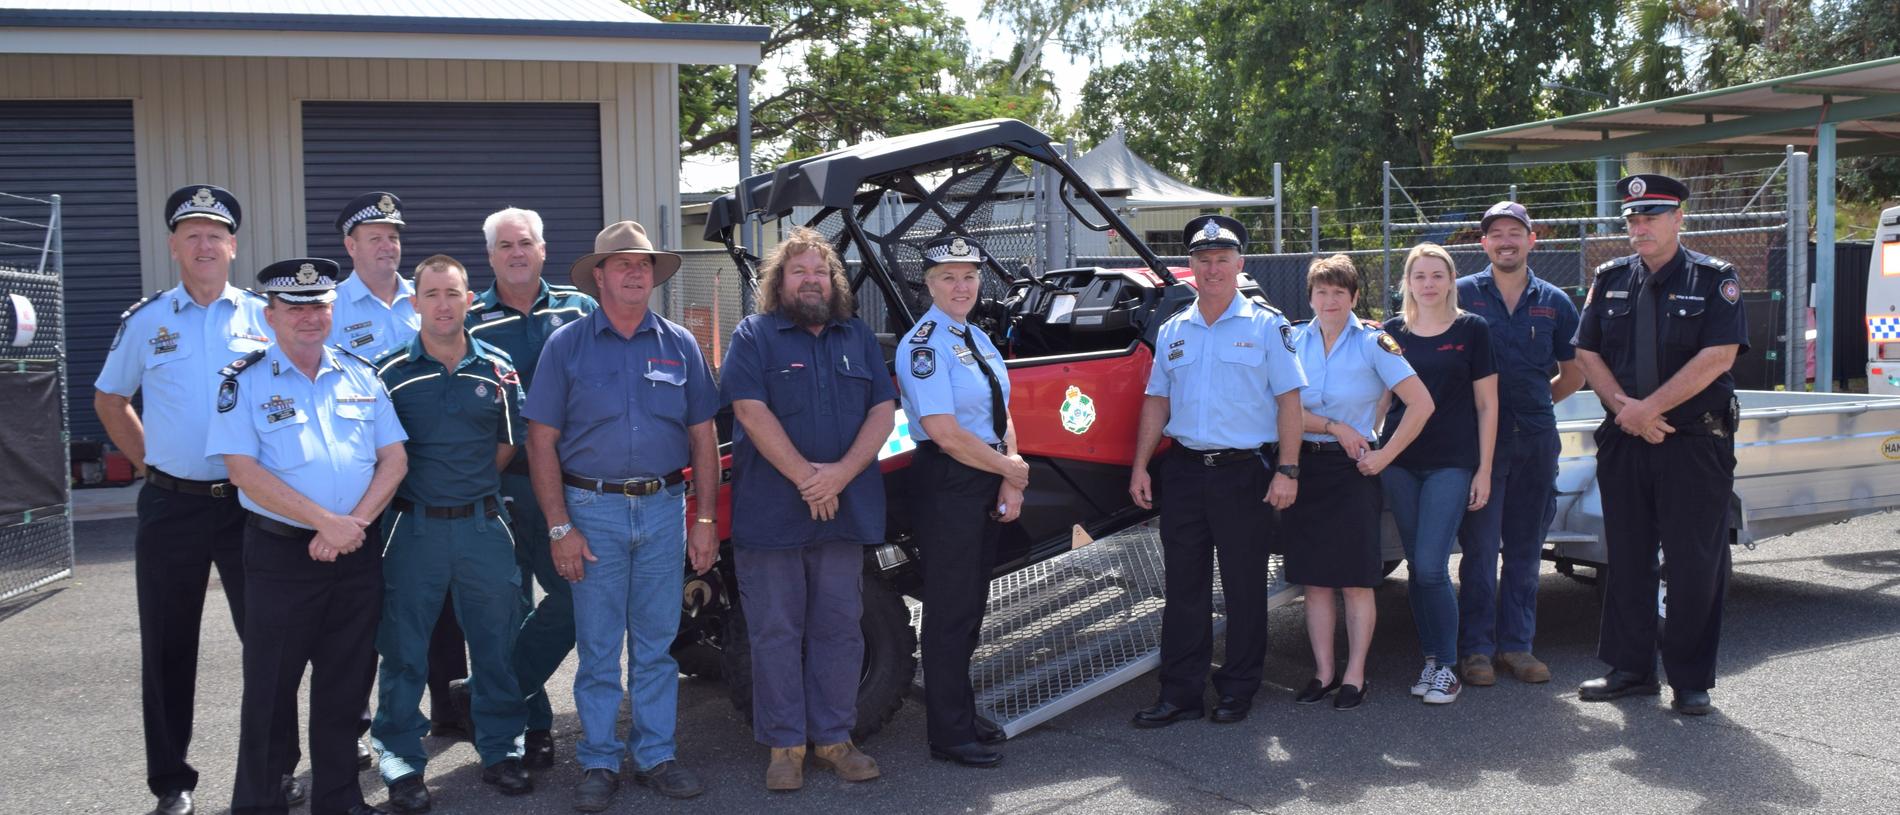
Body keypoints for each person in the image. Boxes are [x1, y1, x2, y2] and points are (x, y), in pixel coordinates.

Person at [94, 185, 306, 815]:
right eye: (192, 234)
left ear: (234, 246)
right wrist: (149, 460)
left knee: (270, 642)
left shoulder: (263, 317)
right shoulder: (148, 320)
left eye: (216, 234)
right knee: (166, 645)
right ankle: (172, 783)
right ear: (173, 246)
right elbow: (111, 398)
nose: (205, 244)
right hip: (171, 508)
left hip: (251, 505)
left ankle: (274, 773)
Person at [523, 220, 719, 810]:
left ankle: (656, 754)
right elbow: (540, 441)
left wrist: (704, 519)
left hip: (663, 509)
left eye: (645, 264)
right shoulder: (567, 345)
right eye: (624, 264)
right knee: (600, 647)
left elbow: (704, 437)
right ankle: (601, 760)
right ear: (600, 276)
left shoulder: (680, 343)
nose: (637, 272)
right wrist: (560, 526)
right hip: (593, 511)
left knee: (657, 645)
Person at [209, 257, 408, 815]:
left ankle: (340, 801)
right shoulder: (243, 381)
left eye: (318, 305)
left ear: (332, 311)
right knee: (271, 689)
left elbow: (393, 460)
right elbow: (243, 471)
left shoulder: (360, 373)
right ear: (270, 315)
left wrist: (353, 526)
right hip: (281, 556)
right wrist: (326, 523)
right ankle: (259, 801)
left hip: (355, 553)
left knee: (346, 686)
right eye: (294, 307)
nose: (309, 317)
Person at [720, 227, 896, 790]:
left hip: (844, 511)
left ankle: (835, 740)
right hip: (772, 514)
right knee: (774, 630)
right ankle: (784, 747)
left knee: (840, 628)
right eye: (799, 271)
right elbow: (749, 411)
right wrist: (808, 479)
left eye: (821, 271)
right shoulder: (754, 336)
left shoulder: (858, 336)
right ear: (780, 282)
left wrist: (839, 476)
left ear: (834, 281)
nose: (811, 280)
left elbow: (884, 411)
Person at [1574, 173, 1747, 716]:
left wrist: (1653, 409)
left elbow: (1718, 356)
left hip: (1693, 443)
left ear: (1679, 219)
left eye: (1651, 216)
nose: (1639, 226)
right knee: (1626, 559)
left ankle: (1690, 679)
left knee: (1695, 563)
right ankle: (1630, 669)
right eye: (1632, 218)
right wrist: (1628, 410)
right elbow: (1587, 353)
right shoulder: (1609, 278)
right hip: (1627, 439)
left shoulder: (1715, 279)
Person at [369, 254, 533, 811]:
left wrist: (470, 486)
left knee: (495, 644)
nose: (443, 304)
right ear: (414, 303)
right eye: (432, 293)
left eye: (453, 293)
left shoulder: (498, 367)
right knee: (404, 651)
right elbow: (377, 453)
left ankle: (501, 750)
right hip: (412, 531)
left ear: (470, 300)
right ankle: (401, 760)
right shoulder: (387, 373)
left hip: (482, 527)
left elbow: (509, 443)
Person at [1128, 215, 1305, 727]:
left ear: (1239, 264)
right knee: (1183, 586)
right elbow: (1156, 400)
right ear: (1192, 266)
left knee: (1243, 585)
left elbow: (1289, 402)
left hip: (1243, 472)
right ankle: (1180, 693)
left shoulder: (1268, 325)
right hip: (1184, 471)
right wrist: (1141, 465)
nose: (1212, 269)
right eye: (1203, 260)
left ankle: (1238, 688)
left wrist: (1288, 470)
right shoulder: (1173, 330)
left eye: (1221, 259)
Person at [327, 191, 463, 748]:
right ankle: (359, 724)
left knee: (442, 603)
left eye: (394, 236)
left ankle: (452, 711)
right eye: (375, 237)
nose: (388, 245)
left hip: (431, 477)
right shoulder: (329, 307)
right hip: (363, 485)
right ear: (350, 246)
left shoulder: (424, 297)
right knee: (363, 607)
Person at [465, 207, 597, 768]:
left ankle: (498, 695)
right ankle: (532, 726)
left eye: (526, 243)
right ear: (490, 256)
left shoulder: (580, 308)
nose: (517, 253)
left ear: (544, 250)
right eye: (505, 246)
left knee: (573, 599)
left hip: (563, 488)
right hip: (494, 489)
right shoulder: (469, 320)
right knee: (504, 612)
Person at [894, 234, 1027, 768]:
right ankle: (948, 735)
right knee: (950, 611)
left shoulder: (978, 337)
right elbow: (945, 433)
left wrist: (1010, 475)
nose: (961, 285)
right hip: (949, 480)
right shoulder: (923, 344)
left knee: (971, 607)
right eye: (948, 277)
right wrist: (1007, 469)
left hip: (984, 474)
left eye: (969, 275)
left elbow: (1003, 411)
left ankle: (960, 713)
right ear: (929, 284)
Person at [1281, 254, 1432, 710]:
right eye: (1321, 292)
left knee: (1354, 581)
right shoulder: (1291, 341)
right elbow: (1279, 409)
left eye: (1339, 293)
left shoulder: (1372, 343)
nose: (1329, 301)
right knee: (1316, 582)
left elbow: (1421, 403)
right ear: (1310, 296)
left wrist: (1385, 454)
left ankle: (1354, 675)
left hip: (1354, 472)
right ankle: (1324, 671)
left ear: (1353, 298)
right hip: (1304, 467)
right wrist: (1334, 426)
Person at [1454, 200, 1583, 687]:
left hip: (1534, 440)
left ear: (1533, 240)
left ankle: (1518, 647)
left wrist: (1534, 405)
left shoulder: (1555, 301)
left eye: (1515, 232)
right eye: (1496, 233)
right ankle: (1477, 651)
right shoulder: (1461, 295)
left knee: (1526, 550)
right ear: (1483, 242)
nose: (1506, 240)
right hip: (1479, 446)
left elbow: (1574, 372)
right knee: (1481, 550)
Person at [1379, 243, 1498, 705]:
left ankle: (1447, 667)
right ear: (1406, 282)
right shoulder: (1391, 333)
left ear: (1451, 280)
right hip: (1400, 463)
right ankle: (1431, 660)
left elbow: (1488, 406)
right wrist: (1370, 444)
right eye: (1419, 276)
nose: (1428, 284)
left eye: (1437, 275)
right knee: (1415, 566)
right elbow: (1381, 400)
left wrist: (1483, 470)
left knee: (1431, 567)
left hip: (1452, 462)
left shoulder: (1473, 330)